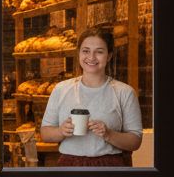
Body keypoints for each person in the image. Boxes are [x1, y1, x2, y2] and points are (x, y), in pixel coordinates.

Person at [40, 26, 143, 167]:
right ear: (79, 54)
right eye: (86, 51)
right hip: (69, 165)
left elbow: (135, 141)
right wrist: (61, 131)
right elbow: (45, 133)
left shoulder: (124, 92)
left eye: (99, 52)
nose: (91, 57)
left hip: (111, 166)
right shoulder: (61, 89)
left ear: (109, 56)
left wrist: (108, 134)